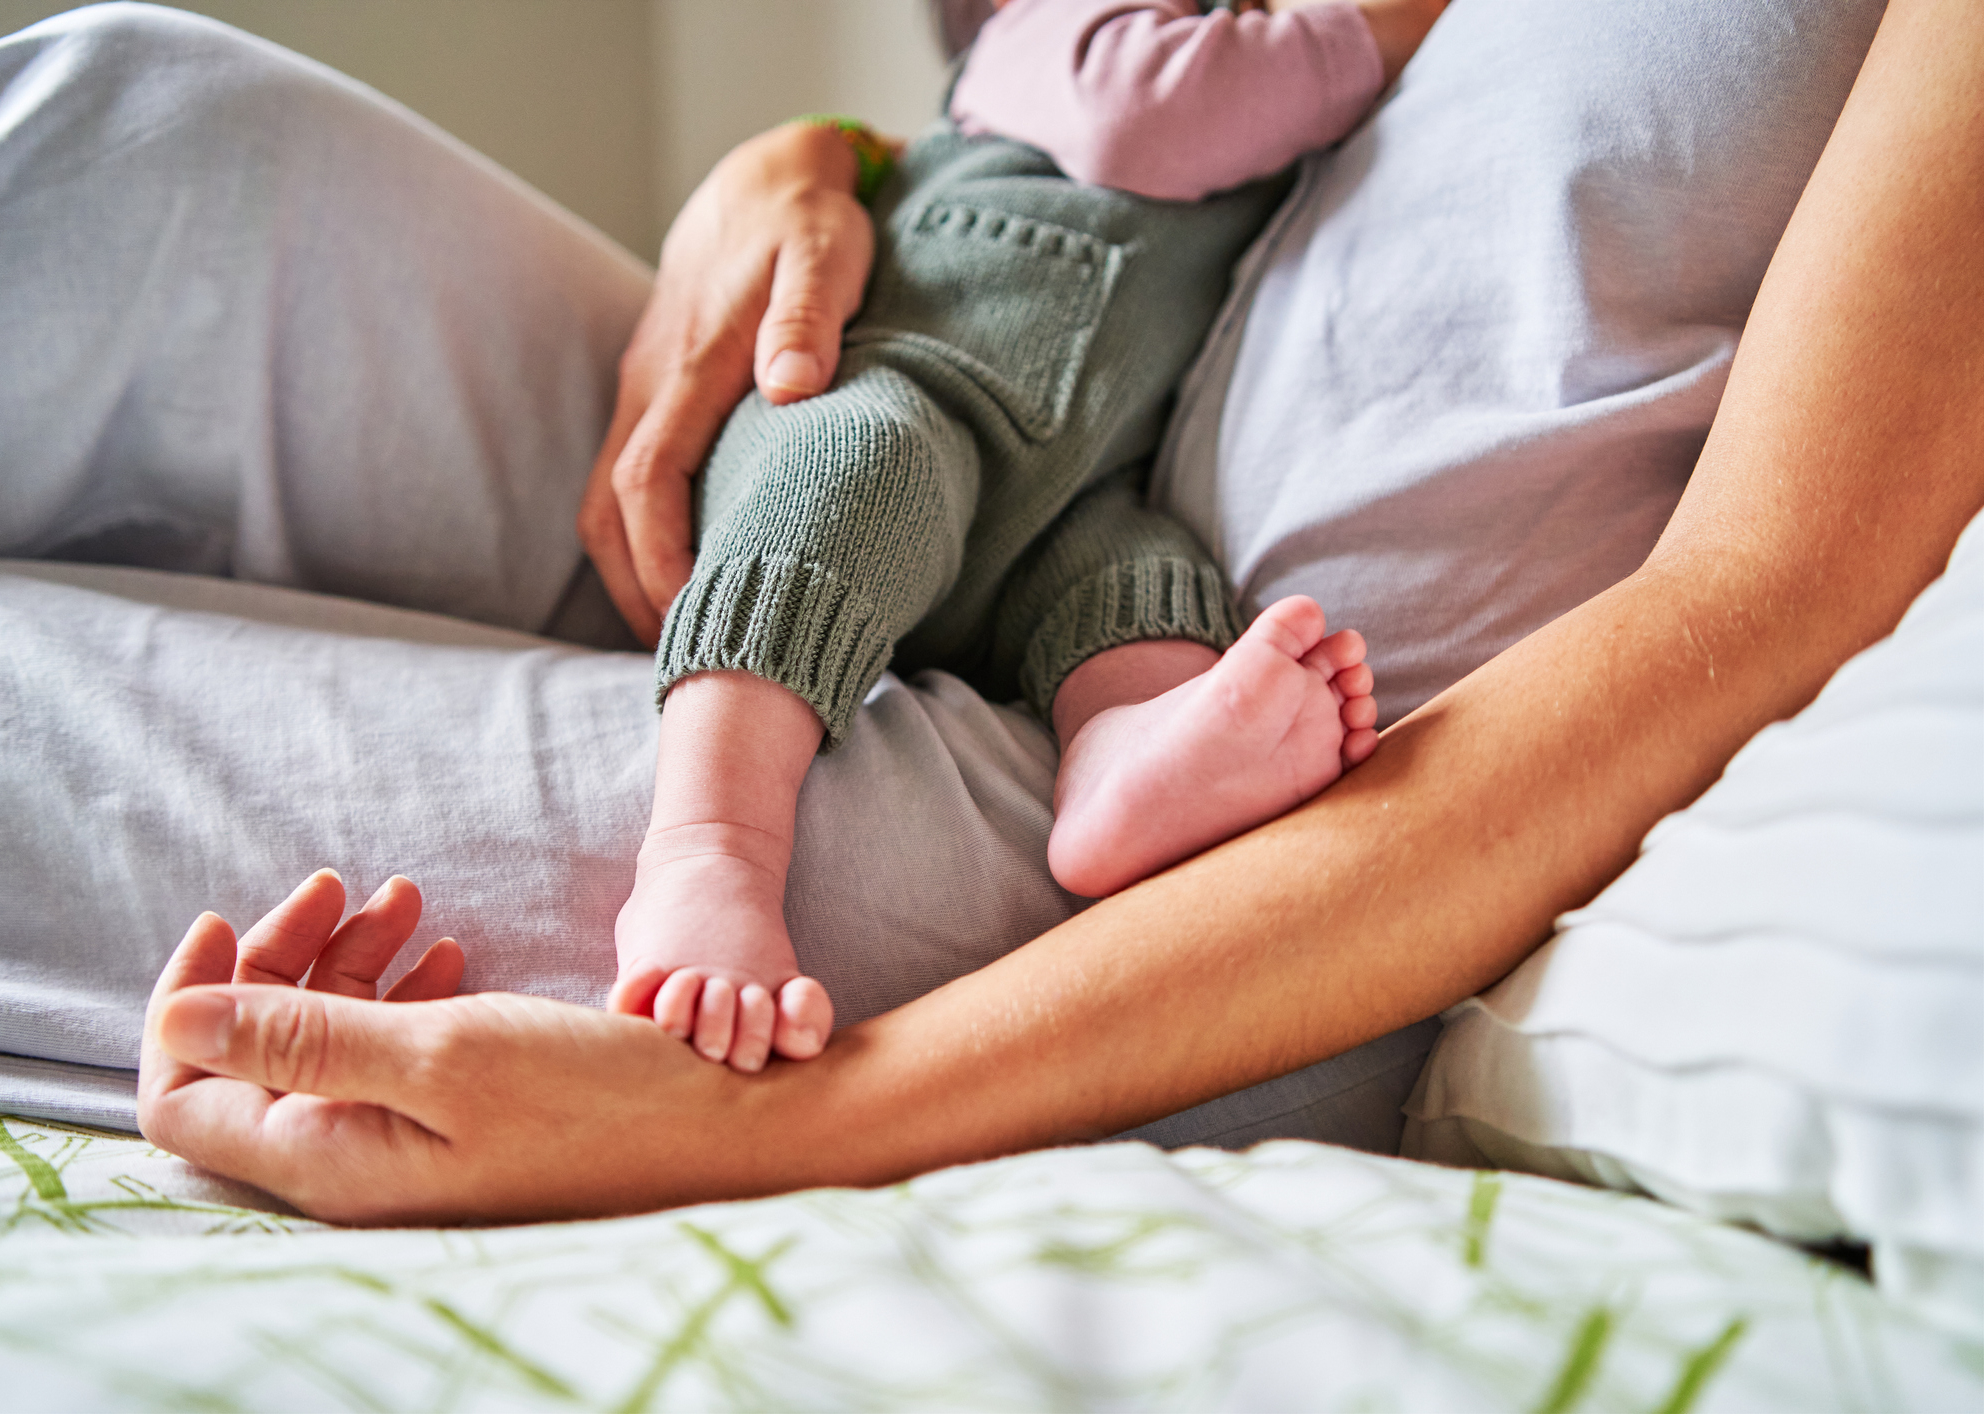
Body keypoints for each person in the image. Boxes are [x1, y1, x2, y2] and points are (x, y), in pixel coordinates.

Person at [0, 0, 1978, 1223]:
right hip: (979, 420)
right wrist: (824, 165)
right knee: (147, 133)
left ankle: (733, 836)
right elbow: (1144, 139)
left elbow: (1758, 601)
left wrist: (778, 1118)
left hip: (1226, 841)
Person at [614, 0, 1454, 1073]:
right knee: (859, 464)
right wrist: (1380, 28)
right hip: (890, 397)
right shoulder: (1048, 42)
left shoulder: (1275, 150)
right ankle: (706, 851)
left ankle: (1121, 763)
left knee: (1139, 573)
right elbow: (1150, 110)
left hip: (1066, 501)